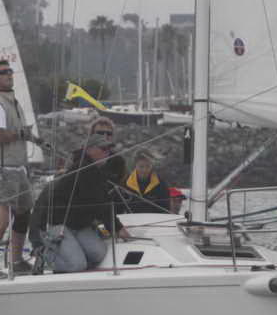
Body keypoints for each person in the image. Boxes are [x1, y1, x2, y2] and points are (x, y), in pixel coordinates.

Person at [29, 133, 131, 273]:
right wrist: (117, 228)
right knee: (77, 265)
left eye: (108, 149)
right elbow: (100, 203)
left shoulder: (95, 169)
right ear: (89, 150)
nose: (107, 153)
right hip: (56, 223)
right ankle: (42, 253)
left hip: (78, 225)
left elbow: (101, 202)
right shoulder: (84, 169)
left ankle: (73, 255)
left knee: (98, 253)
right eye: (103, 149)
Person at [0, 59, 44, 280]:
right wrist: (20, 135)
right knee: (4, 215)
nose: (9, 74)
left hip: (16, 167)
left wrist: (35, 139)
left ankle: (16, 262)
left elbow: (18, 131)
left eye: (10, 71)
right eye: (3, 72)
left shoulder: (13, 102)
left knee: (24, 212)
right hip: (0, 167)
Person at [121, 149, 177, 214]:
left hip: (155, 219)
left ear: (152, 165)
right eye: (141, 166)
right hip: (130, 220)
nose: (144, 170)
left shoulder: (161, 184)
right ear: (135, 165)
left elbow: (166, 209)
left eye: (148, 166)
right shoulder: (125, 183)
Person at [86, 116, 126, 186]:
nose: (105, 136)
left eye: (109, 133)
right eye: (100, 133)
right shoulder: (80, 158)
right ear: (91, 135)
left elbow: (123, 184)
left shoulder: (118, 161)